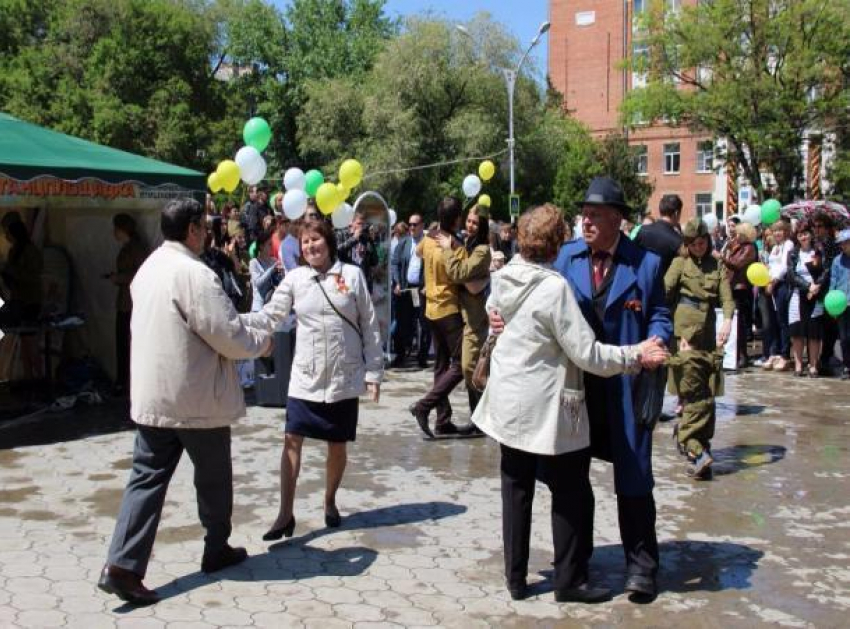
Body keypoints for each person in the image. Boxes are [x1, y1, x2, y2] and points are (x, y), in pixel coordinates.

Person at [474, 204, 668, 603]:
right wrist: (636, 355)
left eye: (596, 215)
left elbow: (494, 308)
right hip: (549, 405)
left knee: (516, 488)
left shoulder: (505, 274)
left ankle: (516, 579)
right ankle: (570, 581)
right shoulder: (554, 285)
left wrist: (497, 318)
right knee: (571, 490)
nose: (586, 224)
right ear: (558, 243)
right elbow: (587, 354)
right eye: (581, 219)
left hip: (510, 403)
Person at [98, 199, 272, 606]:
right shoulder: (195, 274)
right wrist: (262, 343)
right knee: (213, 478)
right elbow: (226, 334)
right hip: (194, 398)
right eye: (203, 228)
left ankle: (121, 564)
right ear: (193, 229)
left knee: (146, 479)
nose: (208, 234)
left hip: (152, 395)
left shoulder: (148, 267)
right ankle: (216, 547)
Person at [248, 219, 383, 540]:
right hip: (305, 378)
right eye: (305, 242)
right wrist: (235, 325)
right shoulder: (295, 279)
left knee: (337, 446)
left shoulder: (351, 275)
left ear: (329, 242)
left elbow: (370, 324)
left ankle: (330, 501)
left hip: (343, 376)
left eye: (316, 240)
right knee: (292, 440)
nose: (310, 246)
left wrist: (374, 371)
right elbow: (271, 315)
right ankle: (285, 514)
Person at [664, 219, 734, 479]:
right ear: (687, 245)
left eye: (702, 242)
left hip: (708, 333)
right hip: (684, 332)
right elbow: (663, 290)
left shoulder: (717, 265)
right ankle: (694, 446)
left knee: (706, 392)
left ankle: (698, 447)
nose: (698, 247)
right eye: (693, 244)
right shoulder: (679, 264)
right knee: (690, 390)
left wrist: (727, 320)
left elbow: (727, 298)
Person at [409, 198, 477, 437]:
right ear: (457, 219)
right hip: (449, 309)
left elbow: (418, 253)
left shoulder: (428, 238)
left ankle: (442, 419)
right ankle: (424, 406)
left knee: (440, 365)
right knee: (461, 364)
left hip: (431, 309)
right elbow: (462, 275)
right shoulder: (455, 245)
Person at [437, 203, 492, 414]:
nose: (470, 226)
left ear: (483, 225)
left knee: (470, 367)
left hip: (476, 319)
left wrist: (448, 251)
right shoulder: (469, 244)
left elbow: (459, 273)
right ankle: (477, 418)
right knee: (470, 367)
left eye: (475, 223)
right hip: (465, 315)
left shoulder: (482, 250)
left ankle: (482, 416)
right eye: (468, 221)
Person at [108, 214, 149, 395]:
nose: (114, 233)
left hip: (132, 303)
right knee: (122, 343)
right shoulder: (130, 247)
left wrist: (119, 278)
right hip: (126, 301)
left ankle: (127, 383)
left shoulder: (136, 248)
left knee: (128, 344)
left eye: (116, 228)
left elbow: (141, 273)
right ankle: (123, 382)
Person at [0, 215, 44, 380]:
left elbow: (33, 276)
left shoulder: (30, 251)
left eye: (8, 233)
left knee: (30, 343)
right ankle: (29, 379)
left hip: (31, 301)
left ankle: (39, 380)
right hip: (18, 300)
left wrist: (10, 271)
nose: (6, 237)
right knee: (24, 344)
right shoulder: (13, 251)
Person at [787, 222, 825, 377]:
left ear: (811, 234)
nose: (803, 237)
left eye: (806, 233)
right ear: (797, 237)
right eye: (800, 234)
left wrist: (817, 285)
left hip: (815, 294)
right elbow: (791, 275)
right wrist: (807, 285)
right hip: (798, 294)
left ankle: (813, 365)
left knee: (814, 332)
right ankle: (798, 364)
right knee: (797, 332)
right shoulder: (793, 253)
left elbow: (825, 271)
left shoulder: (818, 252)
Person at [391, 213, 429, 368]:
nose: (412, 227)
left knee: (423, 323)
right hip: (405, 289)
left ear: (422, 225)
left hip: (420, 290)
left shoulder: (428, 244)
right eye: (410, 224)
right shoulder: (404, 243)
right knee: (402, 322)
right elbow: (395, 263)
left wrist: (428, 284)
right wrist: (397, 283)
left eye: (415, 224)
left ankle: (422, 356)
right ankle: (401, 354)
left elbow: (433, 266)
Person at [721, 219, 758, 368]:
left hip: (741, 288)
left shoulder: (749, 248)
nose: (736, 236)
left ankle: (743, 355)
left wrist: (721, 257)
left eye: (738, 234)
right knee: (736, 322)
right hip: (732, 286)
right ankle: (736, 353)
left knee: (740, 323)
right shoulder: (737, 247)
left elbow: (736, 264)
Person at [760, 220, 794, 371]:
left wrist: (773, 282)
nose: (777, 233)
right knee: (773, 320)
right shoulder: (775, 248)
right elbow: (773, 265)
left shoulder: (788, 245)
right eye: (775, 231)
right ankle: (774, 352)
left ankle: (785, 354)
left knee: (782, 320)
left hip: (781, 285)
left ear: (785, 231)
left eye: (780, 230)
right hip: (771, 284)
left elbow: (784, 267)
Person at [814, 213, 841, 374]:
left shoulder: (832, 244)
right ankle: (820, 358)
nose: (817, 230)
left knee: (830, 326)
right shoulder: (816, 244)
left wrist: (819, 282)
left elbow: (830, 267)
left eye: (820, 226)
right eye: (815, 226)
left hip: (829, 288)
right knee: (820, 325)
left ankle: (826, 357)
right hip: (817, 289)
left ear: (827, 228)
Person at [634, 194, 684, 276]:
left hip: (640, 282)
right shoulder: (678, 241)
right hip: (663, 286)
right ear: (676, 213)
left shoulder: (641, 231)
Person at [337, 209, 378, 290]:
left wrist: (371, 242)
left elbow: (374, 261)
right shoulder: (342, 234)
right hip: (347, 281)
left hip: (363, 282)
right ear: (350, 223)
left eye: (363, 224)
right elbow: (337, 253)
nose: (361, 227)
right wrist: (354, 238)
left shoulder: (365, 238)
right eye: (359, 223)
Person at [829, 229, 850, 380]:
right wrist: (831, 302)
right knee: (844, 337)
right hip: (841, 303)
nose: (843, 245)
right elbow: (833, 282)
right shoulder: (837, 260)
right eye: (842, 243)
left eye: (846, 242)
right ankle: (847, 366)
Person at [249, 229, 283, 312]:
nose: (272, 247)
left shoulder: (274, 261)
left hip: (272, 306)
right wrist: (272, 269)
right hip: (258, 308)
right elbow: (258, 283)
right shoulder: (254, 263)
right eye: (269, 245)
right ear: (261, 246)